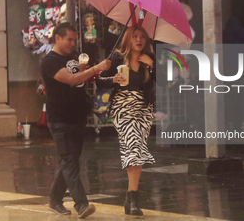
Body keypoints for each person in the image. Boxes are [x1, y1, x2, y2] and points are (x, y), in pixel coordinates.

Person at [40, 22, 111, 218]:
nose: (73, 43)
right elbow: (71, 80)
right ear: (58, 38)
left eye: (74, 39)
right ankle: (81, 204)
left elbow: (82, 79)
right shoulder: (49, 61)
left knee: (69, 161)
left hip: (78, 117)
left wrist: (89, 72)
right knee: (70, 161)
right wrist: (95, 67)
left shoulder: (73, 56)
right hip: (60, 119)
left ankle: (55, 199)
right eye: (69, 39)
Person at [96, 24, 167, 216]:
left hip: (143, 110)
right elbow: (99, 80)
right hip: (123, 108)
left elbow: (164, 82)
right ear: (128, 38)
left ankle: (131, 198)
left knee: (136, 150)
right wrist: (114, 79)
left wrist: (152, 65)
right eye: (135, 36)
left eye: (142, 37)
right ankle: (133, 199)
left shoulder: (148, 59)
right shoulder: (118, 57)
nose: (138, 40)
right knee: (134, 147)